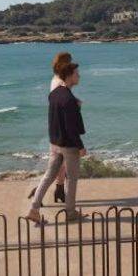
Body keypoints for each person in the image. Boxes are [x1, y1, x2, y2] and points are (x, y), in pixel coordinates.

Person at [26, 61, 85, 223]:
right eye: (76, 74)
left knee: (48, 176)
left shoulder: (54, 94)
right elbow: (71, 127)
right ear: (69, 76)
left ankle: (34, 209)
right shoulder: (69, 100)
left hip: (55, 143)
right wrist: (80, 146)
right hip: (68, 145)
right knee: (72, 179)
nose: (79, 76)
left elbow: (54, 120)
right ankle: (71, 213)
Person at [27, 52, 73, 205]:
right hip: (60, 128)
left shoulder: (57, 80)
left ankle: (59, 190)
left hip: (57, 126)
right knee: (55, 165)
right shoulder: (59, 82)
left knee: (60, 163)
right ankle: (39, 192)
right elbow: (59, 102)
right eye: (70, 62)